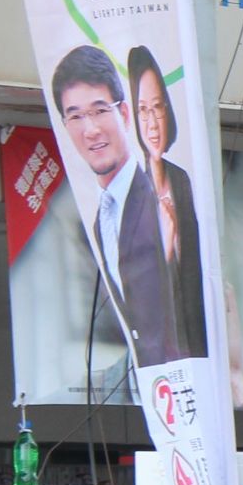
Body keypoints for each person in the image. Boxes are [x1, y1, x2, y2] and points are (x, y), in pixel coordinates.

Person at [49, 44, 194, 368]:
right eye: (76, 116)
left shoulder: (158, 199)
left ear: (125, 114)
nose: (91, 130)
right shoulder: (102, 217)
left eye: (100, 110)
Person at [127, 46, 207, 360]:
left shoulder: (181, 180)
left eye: (158, 107)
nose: (152, 123)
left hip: (196, 346)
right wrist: (166, 248)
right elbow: (134, 293)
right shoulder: (132, 196)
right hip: (156, 356)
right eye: (143, 110)